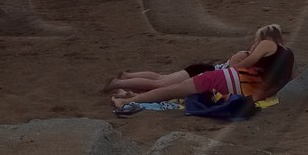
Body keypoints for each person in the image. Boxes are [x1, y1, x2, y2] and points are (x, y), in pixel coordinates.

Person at [107, 25, 295, 110]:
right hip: (245, 91)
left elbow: (249, 61)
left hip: (230, 79)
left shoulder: (269, 45)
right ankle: (131, 96)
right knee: (168, 87)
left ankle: (128, 100)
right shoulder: (289, 57)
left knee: (172, 88)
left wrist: (227, 70)